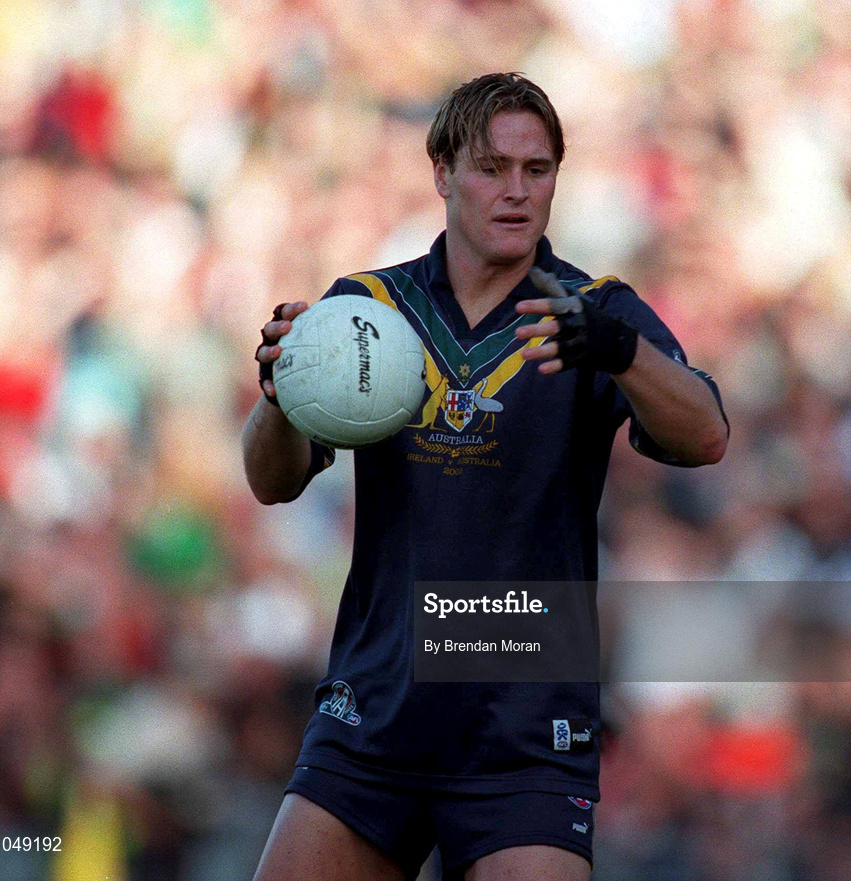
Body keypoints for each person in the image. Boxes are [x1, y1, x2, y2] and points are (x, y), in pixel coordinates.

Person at [243, 73, 728, 881]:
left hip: (526, 731)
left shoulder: (593, 309)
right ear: (441, 172)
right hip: (375, 710)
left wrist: (619, 350)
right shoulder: (365, 308)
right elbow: (271, 481)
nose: (516, 192)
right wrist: (279, 393)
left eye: (537, 171)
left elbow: (708, 433)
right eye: (491, 167)